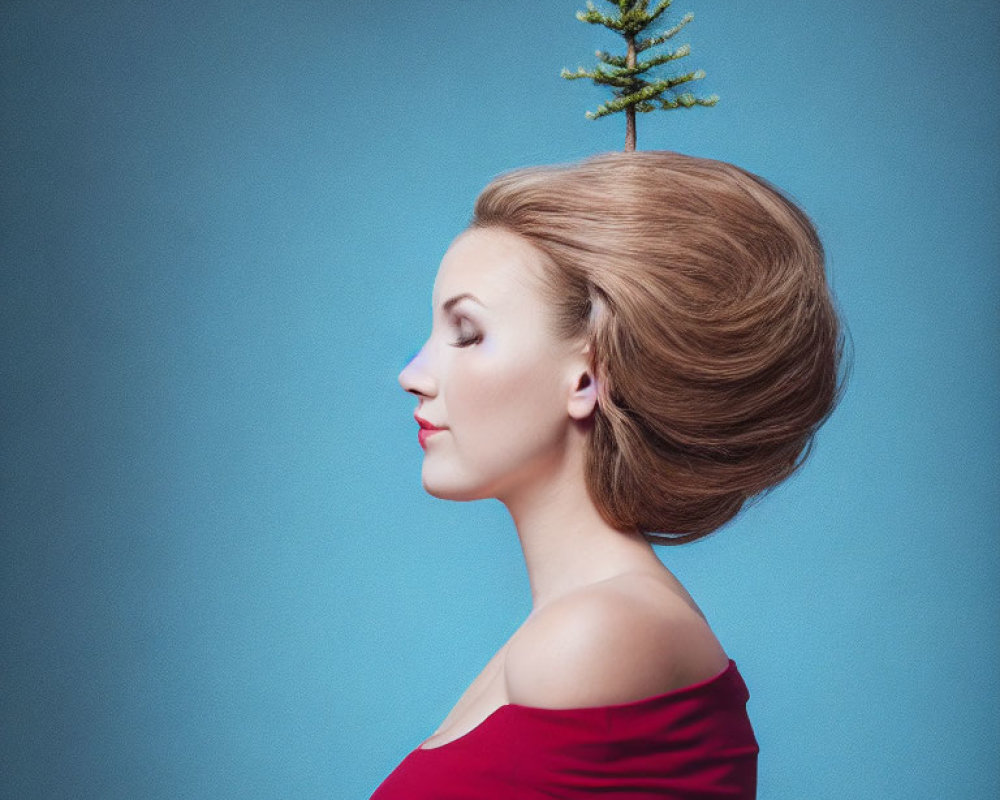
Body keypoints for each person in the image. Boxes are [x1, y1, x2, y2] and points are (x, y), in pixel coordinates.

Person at [371, 150, 842, 799]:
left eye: (467, 333)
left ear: (586, 377)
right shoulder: (569, 629)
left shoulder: (594, 635)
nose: (414, 374)